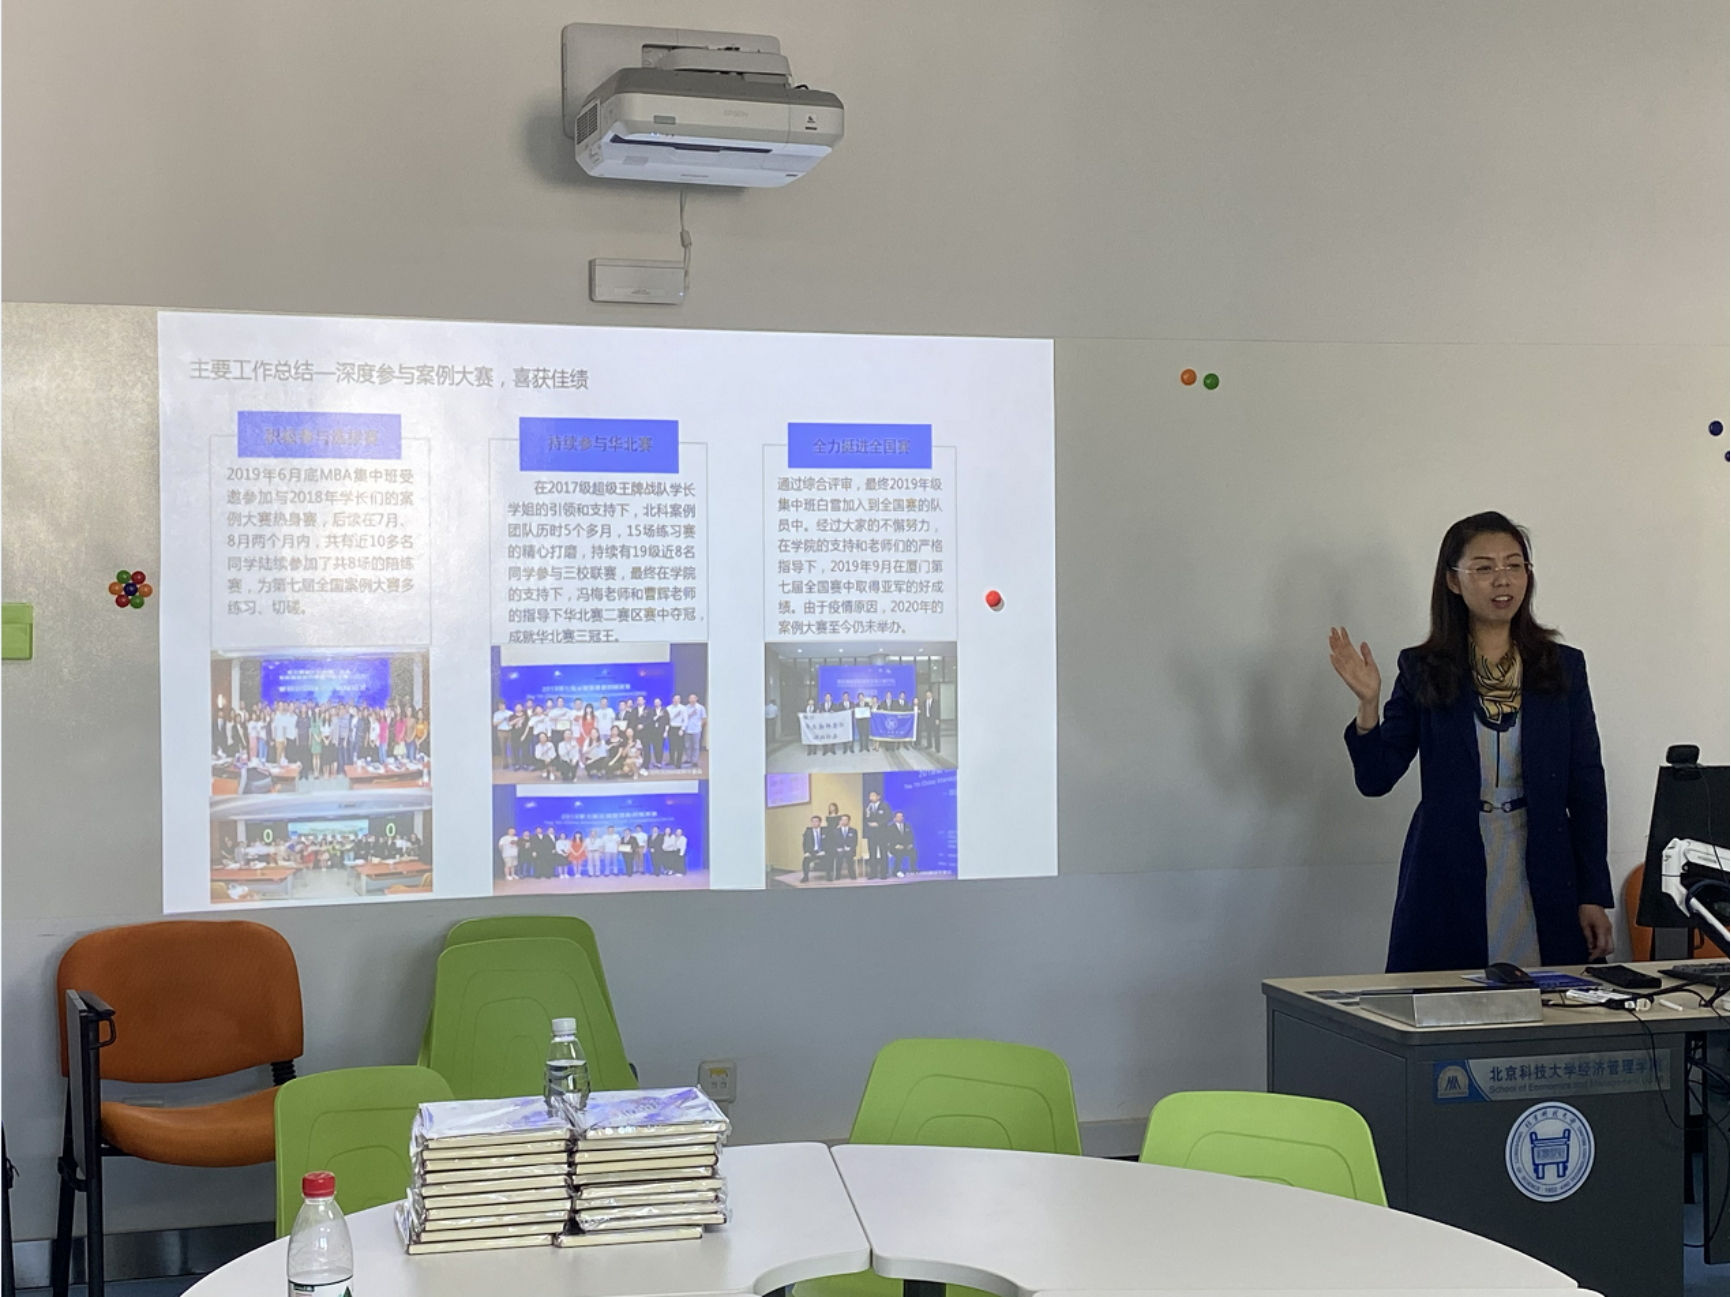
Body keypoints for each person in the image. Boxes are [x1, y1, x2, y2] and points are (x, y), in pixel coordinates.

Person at [1331, 511, 1614, 974]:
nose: (1502, 579)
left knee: (1544, 997)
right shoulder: (1423, 668)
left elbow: (1586, 786)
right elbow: (1376, 778)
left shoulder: (1562, 666)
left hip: (1542, 862)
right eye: (1484, 568)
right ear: (1453, 581)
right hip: (1449, 864)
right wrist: (1368, 705)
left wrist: (1593, 893)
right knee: (1452, 996)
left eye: (1514, 565)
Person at [863, 789, 891, 879]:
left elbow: (889, 817)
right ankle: (873, 873)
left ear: (878, 797)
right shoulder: (868, 807)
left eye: (873, 795)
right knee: (872, 853)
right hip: (871, 833)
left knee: (883, 852)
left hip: (882, 833)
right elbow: (865, 819)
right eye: (870, 796)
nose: (871, 797)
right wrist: (868, 820)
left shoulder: (884, 805)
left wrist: (879, 824)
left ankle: (883, 873)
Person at [884, 811, 916, 876]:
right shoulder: (890, 827)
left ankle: (913, 869)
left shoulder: (907, 826)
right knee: (899, 853)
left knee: (914, 852)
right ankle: (896, 870)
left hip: (905, 847)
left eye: (901, 816)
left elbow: (911, 836)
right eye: (898, 817)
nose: (900, 818)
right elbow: (888, 838)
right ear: (895, 818)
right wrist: (895, 845)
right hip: (894, 847)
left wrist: (910, 844)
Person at [830, 814, 859, 881]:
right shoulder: (835, 831)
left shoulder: (853, 831)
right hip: (839, 850)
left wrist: (849, 848)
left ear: (849, 821)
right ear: (840, 821)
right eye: (842, 820)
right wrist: (838, 848)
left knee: (849, 857)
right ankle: (837, 875)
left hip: (850, 850)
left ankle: (852, 874)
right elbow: (833, 842)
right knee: (839, 856)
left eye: (845, 820)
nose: (844, 821)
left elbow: (855, 842)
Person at [682, 693, 706, 769]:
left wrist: (700, 727)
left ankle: (695, 761)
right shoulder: (686, 708)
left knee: (696, 746)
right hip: (687, 729)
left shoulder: (701, 708)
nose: (692, 699)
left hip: (696, 730)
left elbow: (704, 718)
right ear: (689, 699)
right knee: (687, 745)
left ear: (696, 699)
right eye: (690, 698)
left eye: (694, 698)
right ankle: (688, 759)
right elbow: (684, 718)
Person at [801, 815, 827, 883]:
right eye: (813, 821)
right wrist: (806, 852)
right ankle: (805, 877)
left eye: (816, 821)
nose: (814, 823)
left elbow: (828, 842)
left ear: (820, 822)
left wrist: (825, 851)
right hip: (812, 852)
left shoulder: (825, 831)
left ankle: (828, 875)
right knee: (805, 861)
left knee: (829, 858)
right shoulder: (808, 831)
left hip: (822, 851)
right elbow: (804, 843)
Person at [667, 696, 688, 768]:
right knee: (671, 745)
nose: (676, 700)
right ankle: (671, 760)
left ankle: (678, 762)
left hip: (679, 728)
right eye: (675, 699)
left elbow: (685, 720)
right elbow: (667, 719)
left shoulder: (683, 708)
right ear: (672, 700)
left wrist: (682, 729)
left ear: (680, 700)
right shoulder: (668, 708)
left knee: (680, 746)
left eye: (678, 699)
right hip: (671, 728)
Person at [921, 688, 942, 753]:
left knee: (936, 734)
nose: (928, 695)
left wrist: (937, 719)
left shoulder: (936, 702)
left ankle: (937, 748)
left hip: (934, 720)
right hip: (927, 720)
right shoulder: (924, 702)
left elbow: (938, 711)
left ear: (932, 694)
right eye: (927, 694)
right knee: (928, 734)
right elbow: (923, 710)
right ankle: (929, 745)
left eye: (929, 694)